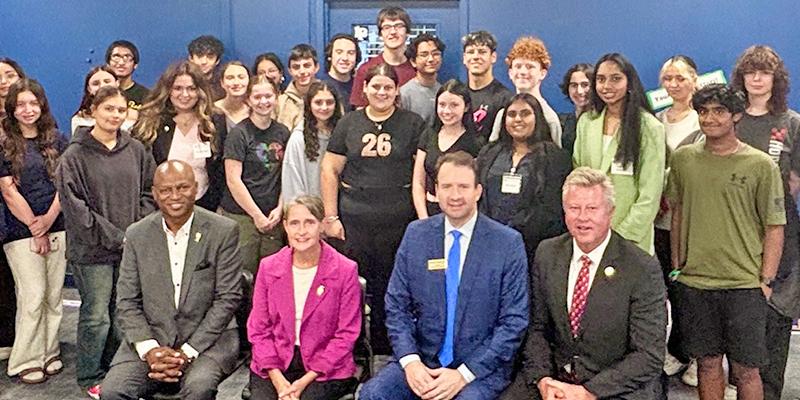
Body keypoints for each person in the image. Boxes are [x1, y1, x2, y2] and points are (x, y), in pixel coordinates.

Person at [359, 151, 529, 400]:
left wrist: (463, 375)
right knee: (373, 394)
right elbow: (396, 306)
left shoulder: (507, 243)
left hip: (479, 370)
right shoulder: (416, 235)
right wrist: (411, 361)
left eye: (463, 187)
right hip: (422, 361)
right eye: (447, 186)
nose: (455, 195)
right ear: (436, 191)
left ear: (478, 191)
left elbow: (514, 322)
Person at [504, 167, 667, 400]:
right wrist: (543, 380)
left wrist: (588, 392)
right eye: (574, 208)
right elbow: (537, 328)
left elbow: (648, 355)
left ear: (610, 212)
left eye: (592, 209)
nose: (582, 218)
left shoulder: (641, 268)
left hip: (615, 385)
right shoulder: (547, 253)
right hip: (556, 378)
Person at [668, 84, 785, 400]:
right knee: (707, 365)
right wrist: (677, 268)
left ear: (736, 115)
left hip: (744, 285)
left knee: (746, 370)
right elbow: (677, 214)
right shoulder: (683, 160)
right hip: (695, 284)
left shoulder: (760, 165)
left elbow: (774, 226)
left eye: (719, 111)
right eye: (703, 111)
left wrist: (765, 281)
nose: (709, 118)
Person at [102, 160, 242, 400]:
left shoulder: (224, 231)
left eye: (182, 187)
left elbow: (228, 299)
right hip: (151, 338)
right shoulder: (137, 234)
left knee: (198, 389)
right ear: (155, 194)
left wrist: (187, 353)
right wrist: (150, 350)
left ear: (195, 189)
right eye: (166, 190)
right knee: (113, 391)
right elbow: (127, 301)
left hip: (207, 342)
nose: (175, 196)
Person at [55, 86, 156, 399]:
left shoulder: (136, 149)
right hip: (92, 251)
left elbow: (150, 192)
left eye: (120, 110)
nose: (115, 115)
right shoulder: (74, 156)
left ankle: (117, 370)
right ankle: (90, 374)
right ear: (92, 111)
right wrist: (116, 236)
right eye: (108, 108)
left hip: (128, 248)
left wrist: (135, 232)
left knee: (122, 313)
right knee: (96, 316)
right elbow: (76, 209)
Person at [320, 62, 425, 354]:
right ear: (365, 88)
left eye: (388, 87)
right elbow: (330, 169)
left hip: (398, 220)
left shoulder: (412, 123)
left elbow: (422, 171)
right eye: (375, 86)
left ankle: (388, 346)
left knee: (392, 286)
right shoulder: (349, 123)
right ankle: (350, 347)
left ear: (397, 90)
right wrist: (331, 216)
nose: (381, 92)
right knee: (352, 285)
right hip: (355, 219)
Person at [730, 45, 800, 400]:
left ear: (776, 78)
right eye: (751, 72)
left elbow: (794, 180)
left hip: (780, 228)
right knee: (739, 314)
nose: (757, 78)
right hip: (734, 229)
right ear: (741, 78)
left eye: (764, 72)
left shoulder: (792, 123)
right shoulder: (732, 120)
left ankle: (770, 391)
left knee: (776, 314)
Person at [248, 195, 361, 400]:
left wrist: (302, 383)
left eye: (309, 222)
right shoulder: (268, 267)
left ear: (322, 225)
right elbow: (259, 330)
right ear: (285, 227)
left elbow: (346, 335)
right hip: (275, 362)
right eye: (294, 223)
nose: (301, 231)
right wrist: (279, 381)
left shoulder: (345, 270)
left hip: (326, 368)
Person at [0, 79, 68, 384]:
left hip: (57, 226)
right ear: (12, 109)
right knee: (33, 295)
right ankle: (25, 359)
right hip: (21, 231)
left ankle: (49, 351)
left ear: (42, 105)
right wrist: (35, 227)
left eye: (33, 103)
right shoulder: (4, 144)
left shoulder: (57, 140)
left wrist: (49, 219)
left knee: (53, 295)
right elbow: (8, 191)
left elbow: (64, 184)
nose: (28, 110)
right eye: (21, 105)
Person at [573, 53, 666, 254]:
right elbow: (578, 177)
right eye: (601, 79)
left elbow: (650, 195)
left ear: (629, 82)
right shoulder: (587, 122)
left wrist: (620, 237)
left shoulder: (649, 127)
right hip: (589, 235)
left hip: (631, 240)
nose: (607, 86)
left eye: (615, 79)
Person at [651, 55, 701, 384]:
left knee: (689, 291)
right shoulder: (655, 120)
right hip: (657, 223)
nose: (673, 84)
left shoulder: (703, 120)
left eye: (680, 78)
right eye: (668, 78)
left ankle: (697, 355)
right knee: (663, 290)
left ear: (694, 80)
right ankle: (673, 351)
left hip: (690, 222)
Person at [477, 93, 571, 263]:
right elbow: (478, 197)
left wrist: (513, 232)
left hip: (533, 247)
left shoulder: (555, 158)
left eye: (525, 113)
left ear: (538, 118)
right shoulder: (489, 153)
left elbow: (552, 210)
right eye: (511, 114)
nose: (518, 119)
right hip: (489, 242)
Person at [133, 61, 227, 211]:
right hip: (159, 207)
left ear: (200, 91)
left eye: (191, 88)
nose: (185, 95)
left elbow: (220, 170)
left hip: (205, 205)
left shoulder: (214, 120)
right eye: (178, 88)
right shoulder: (151, 120)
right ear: (167, 90)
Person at [221, 74, 290, 275]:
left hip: (273, 216)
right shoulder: (239, 134)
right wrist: (256, 215)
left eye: (268, 96)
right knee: (244, 274)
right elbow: (233, 179)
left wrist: (280, 208)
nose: (263, 101)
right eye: (257, 97)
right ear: (248, 100)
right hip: (243, 216)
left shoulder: (283, 132)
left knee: (273, 274)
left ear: (276, 97)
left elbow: (286, 175)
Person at [412, 79, 481, 219]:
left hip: (459, 212)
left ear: (466, 107)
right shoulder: (428, 134)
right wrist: (424, 218)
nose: (447, 111)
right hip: (428, 210)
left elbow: (474, 188)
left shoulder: (475, 142)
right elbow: (418, 182)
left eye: (454, 105)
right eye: (442, 105)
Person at [491, 37, 562, 146]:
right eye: (518, 66)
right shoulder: (502, 116)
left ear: (542, 73)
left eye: (530, 67)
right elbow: (491, 152)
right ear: (510, 73)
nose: (523, 72)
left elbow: (556, 154)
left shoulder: (549, 118)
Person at [0, 57, 25, 361]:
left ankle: (24, 339)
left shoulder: (30, 115)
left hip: (24, 210)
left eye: (9, 75)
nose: (3, 82)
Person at [282, 81, 343, 202]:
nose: (324, 107)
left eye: (329, 102)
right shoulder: (298, 138)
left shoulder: (342, 134)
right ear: (309, 105)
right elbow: (292, 181)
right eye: (318, 102)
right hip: (309, 208)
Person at [349, 6, 416, 108]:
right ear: (380, 34)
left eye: (399, 26)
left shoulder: (416, 69)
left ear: (407, 32)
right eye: (387, 27)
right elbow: (359, 111)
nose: (393, 32)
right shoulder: (366, 69)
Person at [462, 30, 513, 139]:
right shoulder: (457, 95)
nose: (476, 57)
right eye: (471, 52)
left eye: (482, 52)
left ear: (493, 57)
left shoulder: (505, 98)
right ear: (464, 58)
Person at [72, 65, 135, 136]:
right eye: (96, 83)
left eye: (107, 81)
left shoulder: (133, 115)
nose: (102, 86)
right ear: (89, 89)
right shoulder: (80, 119)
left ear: (117, 83)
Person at [400, 33, 445, 126]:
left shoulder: (444, 91)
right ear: (413, 61)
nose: (431, 59)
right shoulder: (404, 94)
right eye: (424, 55)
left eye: (435, 54)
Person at [277, 44, 320, 131]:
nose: (302, 71)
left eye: (307, 66)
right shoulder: (281, 102)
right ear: (290, 71)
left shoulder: (328, 96)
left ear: (316, 67)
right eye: (296, 67)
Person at [105, 40, 150, 115]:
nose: (121, 63)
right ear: (108, 63)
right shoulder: (100, 92)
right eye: (116, 57)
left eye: (127, 57)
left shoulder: (146, 95)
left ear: (135, 65)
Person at [323, 33, 360, 110]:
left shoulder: (360, 87)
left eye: (351, 53)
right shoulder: (319, 85)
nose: (345, 58)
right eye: (339, 52)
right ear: (330, 56)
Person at [214, 61, 251, 129]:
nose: (236, 82)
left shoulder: (255, 110)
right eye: (230, 78)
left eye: (241, 77)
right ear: (222, 83)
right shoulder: (212, 110)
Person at [187, 35, 226, 101]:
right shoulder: (182, 81)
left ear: (217, 61)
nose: (204, 62)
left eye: (210, 57)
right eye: (199, 56)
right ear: (191, 58)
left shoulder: (223, 84)